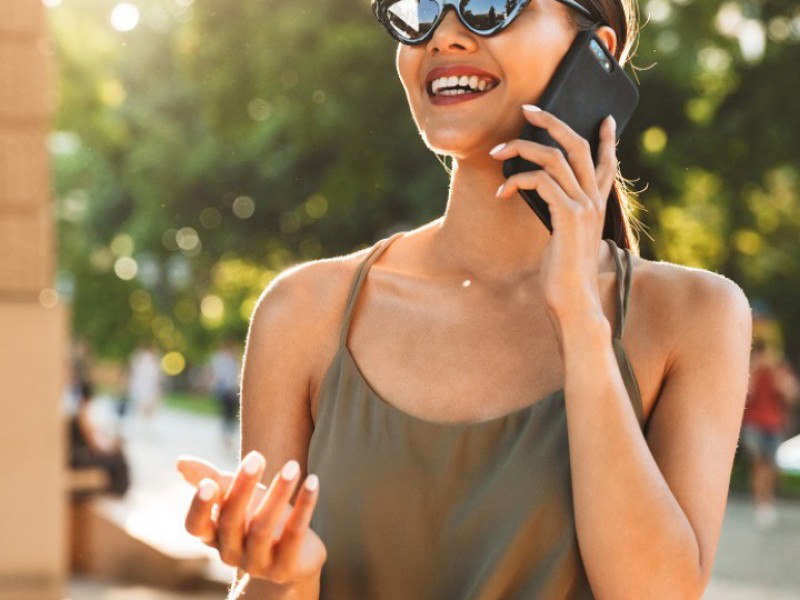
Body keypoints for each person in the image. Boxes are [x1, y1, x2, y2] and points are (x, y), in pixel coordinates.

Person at [177, 1, 753, 597]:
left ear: (597, 51)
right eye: (419, 8)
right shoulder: (302, 311)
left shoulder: (695, 317)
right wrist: (281, 576)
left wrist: (581, 319)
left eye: (490, 5)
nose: (445, 35)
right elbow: (265, 588)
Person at [741, 340, 798, 530]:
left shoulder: (778, 369)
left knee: (771, 465)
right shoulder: (750, 369)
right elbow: (745, 392)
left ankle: (768, 501)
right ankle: (760, 504)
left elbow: (790, 395)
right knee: (759, 464)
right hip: (754, 423)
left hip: (773, 424)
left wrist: (777, 374)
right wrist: (755, 369)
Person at [69, 381, 130, 498]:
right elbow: (92, 443)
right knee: (118, 459)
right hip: (81, 457)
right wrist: (108, 449)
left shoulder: (81, 411)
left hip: (80, 454)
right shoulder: (82, 413)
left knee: (116, 456)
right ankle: (117, 491)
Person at [209, 339, 242, 448]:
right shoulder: (219, 360)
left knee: (232, 412)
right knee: (226, 412)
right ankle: (225, 434)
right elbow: (216, 374)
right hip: (223, 389)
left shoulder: (233, 361)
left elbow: (237, 374)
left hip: (232, 389)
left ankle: (228, 434)